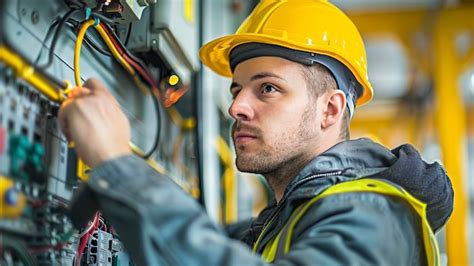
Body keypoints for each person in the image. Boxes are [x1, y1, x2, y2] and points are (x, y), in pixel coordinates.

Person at [59, 0, 454, 265]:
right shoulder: (282, 222)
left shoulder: (372, 219)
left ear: (329, 109)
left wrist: (118, 164)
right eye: (236, 90)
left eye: (267, 88)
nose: (236, 107)